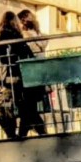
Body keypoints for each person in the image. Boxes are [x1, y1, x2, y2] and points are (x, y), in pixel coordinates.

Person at [0, 11, 31, 139]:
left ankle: (11, 134)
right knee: (26, 109)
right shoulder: (19, 39)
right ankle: (21, 135)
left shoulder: (2, 38)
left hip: (4, 80)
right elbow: (27, 56)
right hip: (19, 79)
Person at [15, 9, 48, 137]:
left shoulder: (25, 37)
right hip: (39, 76)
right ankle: (29, 133)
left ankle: (37, 133)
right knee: (29, 107)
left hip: (28, 75)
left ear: (23, 22)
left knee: (28, 108)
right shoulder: (40, 35)